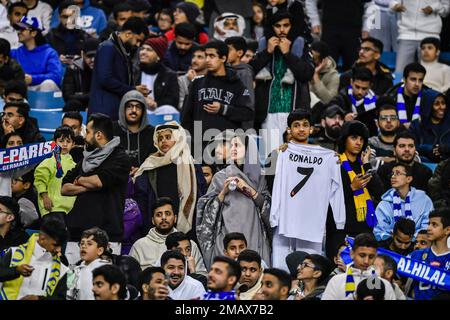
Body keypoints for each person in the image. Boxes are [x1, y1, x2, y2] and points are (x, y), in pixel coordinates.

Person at [270, 110, 346, 270]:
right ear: (289, 130)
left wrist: (340, 219)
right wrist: (275, 215)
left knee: (310, 270)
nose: (301, 129)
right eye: (296, 125)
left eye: (305, 125)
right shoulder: (282, 153)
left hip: (312, 220)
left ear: (312, 129)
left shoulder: (328, 156)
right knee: (280, 268)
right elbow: (274, 185)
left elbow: (337, 188)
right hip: (286, 217)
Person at [62, 113, 131, 265]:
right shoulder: (85, 159)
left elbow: (98, 182)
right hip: (76, 233)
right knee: (72, 282)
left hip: (108, 235)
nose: (84, 136)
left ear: (98, 134)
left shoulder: (120, 157)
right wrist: (86, 186)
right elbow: (65, 188)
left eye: (87, 132)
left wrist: (79, 180)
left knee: (103, 283)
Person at [196, 133, 271, 269]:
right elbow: (204, 210)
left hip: (254, 237)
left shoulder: (261, 178)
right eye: (232, 145)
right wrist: (223, 193)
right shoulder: (221, 176)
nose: (233, 149)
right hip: (226, 240)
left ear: (249, 150)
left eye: (238, 145)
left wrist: (248, 189)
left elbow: (270, 211)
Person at [250, 10, 314, 152]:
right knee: (272, 160)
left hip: (295, 113)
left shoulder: (301, 45)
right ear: (272, 28)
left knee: (296, 157)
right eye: (277, 26)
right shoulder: (264, 45)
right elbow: (250, 72)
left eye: (286, 25)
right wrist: (267, 53)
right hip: (268, 113)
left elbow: (307, 74)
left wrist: (287, 54)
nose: (282, 30)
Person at [133, 122, 205, 235]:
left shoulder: (192, 165)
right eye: (160, 138)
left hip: (188, 227)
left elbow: (201, 195)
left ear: (178, 139)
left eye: (168, 137)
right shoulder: (150, 165)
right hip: (156, 226)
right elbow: (142, 198)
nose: (163, 141)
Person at [325, 120, 383, 260]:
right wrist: (352, 188)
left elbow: (379, 190)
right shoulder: (333, 163)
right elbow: (326, 197)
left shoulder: (364, 165)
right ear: (344, 139)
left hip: (364, 231)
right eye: (354, 138)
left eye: (362, 139)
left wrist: (367, 164)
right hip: (339, 231)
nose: (358, 142)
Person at [181, 40, 253, 151]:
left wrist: (223, 109)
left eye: (212, 56)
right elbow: (186, 117)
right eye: (206, 56)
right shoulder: (197, 83)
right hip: (200, 147)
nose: (207, 60)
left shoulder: (236, 84)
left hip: (227, 147)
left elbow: (248, 113)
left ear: (223, 58)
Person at [88, 17, 149, 121]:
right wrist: (133, 89)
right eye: (138, 40)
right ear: (128, 33)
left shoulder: (122, 50)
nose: (138, 45)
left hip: (114, 110)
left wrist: (134, 88)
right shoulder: (107, 47)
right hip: (103, 112)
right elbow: (105, 79)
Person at [0, 214, 69, 300]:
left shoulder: (62, 268)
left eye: (61, 246)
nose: (58, 249)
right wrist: (15, 270)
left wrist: (38, 299)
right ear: (42, 238)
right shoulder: (13, 252)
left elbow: (60, 298)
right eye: (55, 245)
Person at [322, 233, 396, 300]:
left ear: (375, 257)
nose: (366, 261)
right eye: (362, 255)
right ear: (352, 254)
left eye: (371, 256)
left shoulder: (385, 285)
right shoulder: (336, 281)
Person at [305, 0, 374, 70]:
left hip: (354, 33)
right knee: (326, 69)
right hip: (329, 32)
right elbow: (310, 1)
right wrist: (314, 22)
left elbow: (370, 5)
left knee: (356, 70)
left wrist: (367, 27)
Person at [374, 162, 433, 241]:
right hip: (391, 245)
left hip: (418, 244)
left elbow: (427, 227)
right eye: (392, 174)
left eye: (398, 173)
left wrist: (410, 239)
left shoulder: (424, 200)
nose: (393, 177)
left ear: (409, 179)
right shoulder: (384, 204)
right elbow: (378, 231)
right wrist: (396, 238)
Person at [391, 0, 449, 73]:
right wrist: (395, 6)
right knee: (401, 72)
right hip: (406, 33)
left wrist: (433, 8)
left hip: (430, 34)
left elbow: (446, 9)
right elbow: (393, 2)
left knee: (428, 73)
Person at [34, 126, 77, 217]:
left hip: (70, 210)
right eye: (61, 141)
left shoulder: (75, 165)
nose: (64, 144)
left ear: (73, 144)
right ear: (54, 142)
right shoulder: (48, 161)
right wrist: (45, 197)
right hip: (51, 208)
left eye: (68, 141)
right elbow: (39, 181)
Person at [11, 16, 63, 92]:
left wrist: (33, 79)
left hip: (43, 92)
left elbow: (56, 77)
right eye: (18, 29)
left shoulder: (50, 53)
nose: (19, 32)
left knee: (48, 84)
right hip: (22, 92)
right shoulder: (15, 53)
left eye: (22, 29)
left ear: (34, 33)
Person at [409, 208, 450, 300]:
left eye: (434, 225)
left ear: (447, 230)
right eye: (429, 224)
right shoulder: (416, 255)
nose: (428, 228)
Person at [129, 197, 178, 270]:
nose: (163, 218)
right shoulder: (139, 246)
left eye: (167, 214)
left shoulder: (188, 244)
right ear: (152, 220)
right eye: (159, 215)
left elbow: (199, 274)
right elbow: (131, 276)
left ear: (175, 218)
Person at [113, 90, 156, 169]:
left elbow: (154, 160)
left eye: (138, 107)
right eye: (129, 106)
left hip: (144, 176)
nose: (134, 110)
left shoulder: (152, 132)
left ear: (143, 111)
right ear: (123, 108)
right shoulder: (112, 129)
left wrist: (141, 170)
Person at [330, 66, 378, 136]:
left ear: (370, 86)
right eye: (357, 87)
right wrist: (344, 117)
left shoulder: (377, 103)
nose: (360, 92)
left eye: (364, 88)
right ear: (351, 82)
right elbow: (330, 111)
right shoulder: (341, 98)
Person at [136, 36, 179, 113]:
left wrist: (155, 104)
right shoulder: (133, 72)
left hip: (158, 111)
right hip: (136, 109)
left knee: (169, 110)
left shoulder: (169, 75)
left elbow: (173, 100)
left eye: (149, 50)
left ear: (158, 56)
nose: (143, 52)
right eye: (142, 49)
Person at [66, 227, 111, 300]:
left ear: (100, 250)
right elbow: (68, 296)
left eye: (89, 244)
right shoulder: (73, 270)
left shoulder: (108, 270)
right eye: (82, 243)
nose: (83, 246)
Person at [385, 62, 431, 128]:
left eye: (420, 80)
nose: (417, 84)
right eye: (413, 79)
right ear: (404, 79)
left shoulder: (429, 98)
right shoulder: (391, 97)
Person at [409, 90, 450, 163]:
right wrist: (429, 149)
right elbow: (409, 147)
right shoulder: (416, 125)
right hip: (423, 164)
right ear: (428, 106)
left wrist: (446, 149)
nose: (442, 107)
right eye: (437, 104)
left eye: (443, 103)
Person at [62, 37, 99, 108]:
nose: (93, 60)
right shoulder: (73, 69)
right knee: (72, 104)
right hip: (80, 106)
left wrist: (81, 95)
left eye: (96, 56)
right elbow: (68, 96)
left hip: (99, 107)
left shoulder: (105, 68)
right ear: (82, 54)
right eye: (89, 56)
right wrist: (91, 96)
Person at [368, 99, 402, 170]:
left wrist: (381, 159)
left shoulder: (405, 142)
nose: (389, 121)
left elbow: (415, 161)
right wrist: (398, 160)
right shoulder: (371, 142)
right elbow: (370, 164)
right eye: (384, 118)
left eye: (392, 118)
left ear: (398, 122)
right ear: (377, 123)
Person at [309, 40, 339, 105]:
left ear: (324, 61)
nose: (311, 61)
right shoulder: (307, 68)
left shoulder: (333, 75)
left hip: (322, 111)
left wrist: (315, 76)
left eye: (314, 59)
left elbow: (329, 100)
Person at [178, 45, 207, 110]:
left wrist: (194, 81)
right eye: (193, 56)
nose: (194, 60)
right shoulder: (182, 80)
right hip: (189, 118)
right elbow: (181, 105)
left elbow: (208, 105)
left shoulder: (212, 79)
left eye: (200, 57)